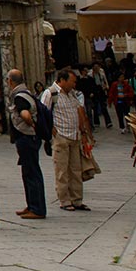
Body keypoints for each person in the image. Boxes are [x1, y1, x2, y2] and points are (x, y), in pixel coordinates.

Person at [43, 67, 93, 212]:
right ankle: (64, 200)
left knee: (76, 170)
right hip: (61, 137)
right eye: (72, 81)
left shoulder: (72, 94)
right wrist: (53, 133)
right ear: (62, 80)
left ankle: (77, 200)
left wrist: (84, 133)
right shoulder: (51, 93)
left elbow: (79, 111)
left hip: (75, 136)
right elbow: (44, 114)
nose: (74, 84)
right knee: (62, 171)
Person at [7, 69, 46, 220]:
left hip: (27, 138)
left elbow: (25, 114)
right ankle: (31, 205)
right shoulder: (27, 93)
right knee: (28, 172)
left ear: (10, 81)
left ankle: (37, 208)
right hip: (29, 138)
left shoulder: (19, 96)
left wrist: (31, 126)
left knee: (31, 173)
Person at [90, 63, 113, 129]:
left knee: (103, 106)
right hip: (94, 90)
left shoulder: (101, 73)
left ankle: (108, 122)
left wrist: (106, 86)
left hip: (101, 89)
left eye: (98, 67)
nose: (97, 69)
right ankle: (96, 122)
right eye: (95, 67)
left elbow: (105, 80)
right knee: (95, 107)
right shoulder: (90, 74)